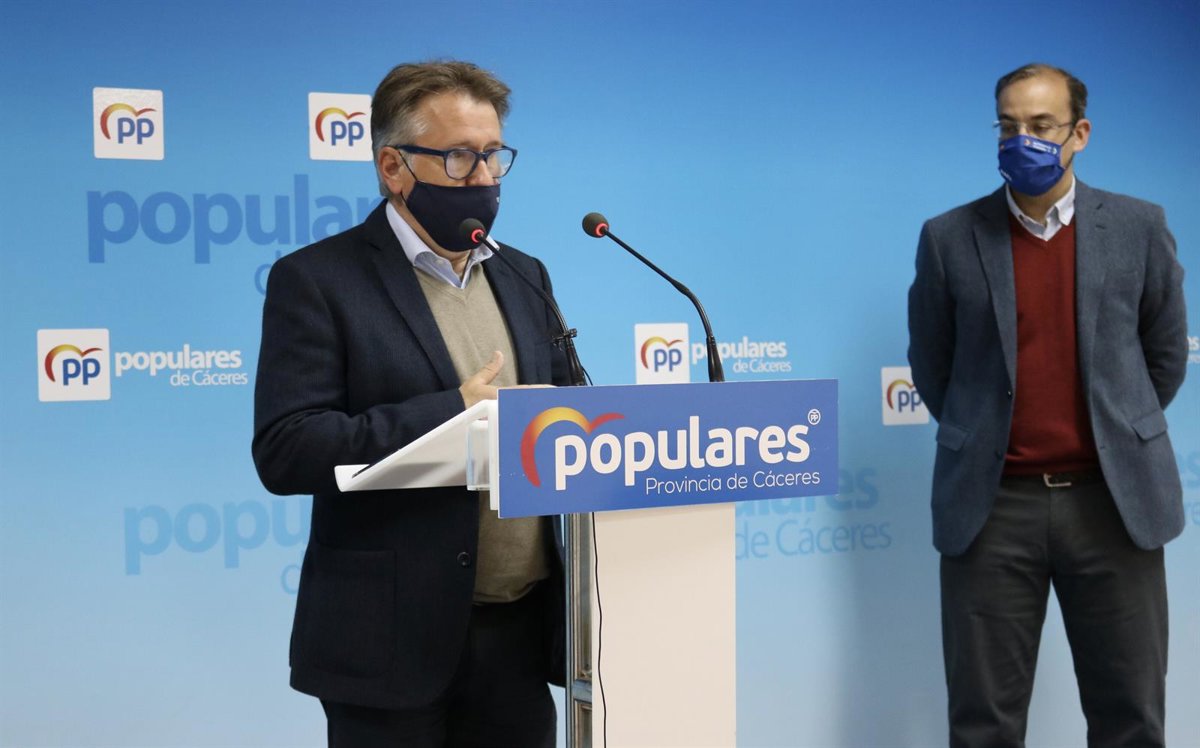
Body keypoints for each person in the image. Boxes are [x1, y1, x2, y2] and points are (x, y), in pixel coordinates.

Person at [252, 60, 570, 747]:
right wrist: (454, 412)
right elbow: (288, 448)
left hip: (518, 635)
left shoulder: (525, 275)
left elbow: (570, 411)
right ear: (394, 167)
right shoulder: (317, 280)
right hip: (388, 640)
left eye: (493, 154)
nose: (483, 177)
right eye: (459, 157)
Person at [907, 63, 1188, 748]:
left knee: (1131, 719)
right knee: (983, 724)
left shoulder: (1139, 227)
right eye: (1008, 126)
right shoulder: (949, 237)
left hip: (1114, 504)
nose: (1020, 141)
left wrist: (1115, 432)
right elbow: (934, 368)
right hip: (992, 510)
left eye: (1040, 126)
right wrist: (984, 437)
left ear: (1079, 133)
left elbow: (1164, 357)